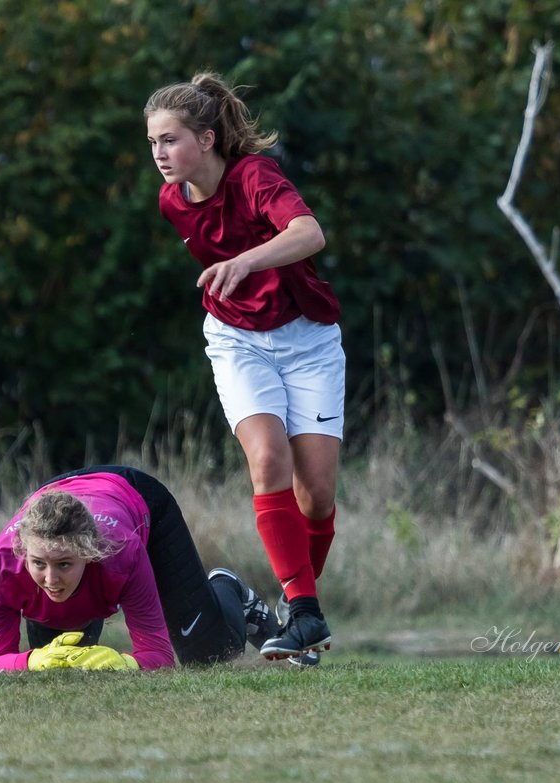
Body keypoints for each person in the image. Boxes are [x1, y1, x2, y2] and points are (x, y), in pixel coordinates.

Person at [144, 72, 343, 662]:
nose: (160, 154)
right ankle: (305, 615)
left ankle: (295, 611)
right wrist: (236, 275)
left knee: (319, 497)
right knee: (267, 458)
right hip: (237, 341)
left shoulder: (255, 177)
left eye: (171, 140)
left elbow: (309, 233)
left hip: (308, 339)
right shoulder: (171, 201)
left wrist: (244, 261)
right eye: (153, 143)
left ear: (206, 139)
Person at [0, 465, 277, 672]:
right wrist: (31, 661)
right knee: (59, 667)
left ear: (89, 553)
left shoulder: (121, 554)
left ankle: (229, 588)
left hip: (140, 497)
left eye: (64, 564)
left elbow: (158, 656)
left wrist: (125, 663)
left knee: (208, 654)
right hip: (59, 495)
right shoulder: (1, 564)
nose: (51, 579)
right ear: (24, 552)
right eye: (38, 564)